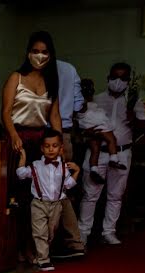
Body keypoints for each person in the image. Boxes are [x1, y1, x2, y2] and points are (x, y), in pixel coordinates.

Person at [2, 31, 63, 263]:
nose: (39, 56)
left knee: (40, 198)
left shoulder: (52, 82)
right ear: (28, 53)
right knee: (18, 197)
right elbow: (5, 112)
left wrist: (60, 146)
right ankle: (16, 248)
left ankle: (35, 247)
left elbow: (55, 116)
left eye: (44, 52)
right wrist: (14, 135)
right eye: (35, 51)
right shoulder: (16, 77)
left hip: (41, 142)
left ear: (50, 55)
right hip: (17, 141)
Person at [77, 62, 145, 246]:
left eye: (123, 78)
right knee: (90, 194)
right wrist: (88, 133)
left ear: (127, 81)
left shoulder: (134, 102)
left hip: (122, 152)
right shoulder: (96, 99)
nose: (118, 81)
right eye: (115, 77)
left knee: (115, 195)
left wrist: (133, 113)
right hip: (96, 151)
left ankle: (108, 231)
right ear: (108, 78)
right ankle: (82, 233)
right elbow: (80, 124)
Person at [15, 129, 81, 272]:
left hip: (56, 205)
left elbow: (68, 185)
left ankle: (39, 254)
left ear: (61, 148)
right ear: (42, 148)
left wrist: (76, 171)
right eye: (47, 146)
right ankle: (44, 260)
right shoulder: (36, 165)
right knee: (40, 232)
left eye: (55, 146)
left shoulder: (64, 168)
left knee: (51, 232)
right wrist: (23, 156)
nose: (51, 149)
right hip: (39, 204)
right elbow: (21, 174)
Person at [53, 58, 88, 259]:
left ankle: (64, 241)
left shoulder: (36, 72)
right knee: (59, 190)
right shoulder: (69, 68)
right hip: (64, 133)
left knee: (52, 191)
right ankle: (72, 241)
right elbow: (79, 106)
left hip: (46, 136)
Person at [77, 78, 126, 183]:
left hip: (90, 126)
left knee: (95, 150)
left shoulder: (87, 102)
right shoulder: (83, 103)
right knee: (112, 139)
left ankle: (94, 170)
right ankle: (114, 159)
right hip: (96, 126)